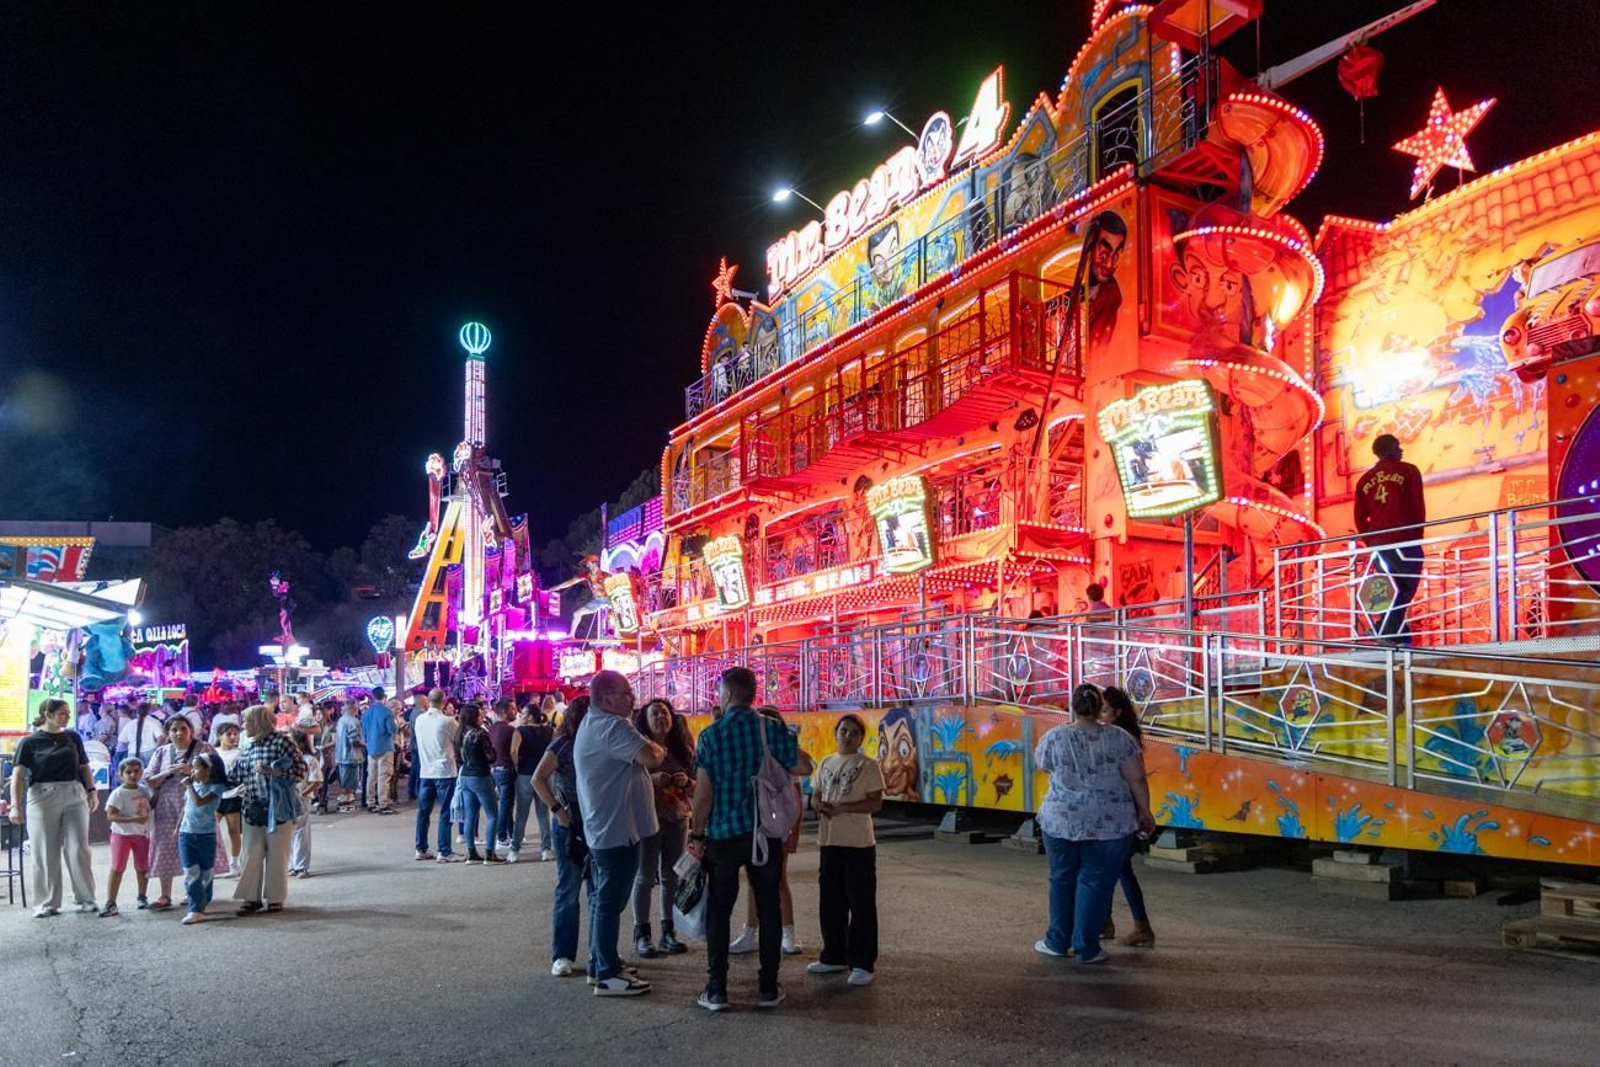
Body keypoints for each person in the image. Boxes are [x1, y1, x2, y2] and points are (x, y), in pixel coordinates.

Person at [689, 667, 812, 1013]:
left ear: (726, 695)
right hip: (764, 834)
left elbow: (703, 796)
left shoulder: (710, 736)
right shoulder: (770, 729)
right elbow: (804, 767)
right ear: (753, 694)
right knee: (769, 907)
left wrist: (697, 834)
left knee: (719, 910)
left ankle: (716, 991)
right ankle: (768, 988)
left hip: (723, 836)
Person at [1032, 684, 1155, 964]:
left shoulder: (1054, 737)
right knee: (1095, 882)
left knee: (1062, 878)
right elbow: (1136, 778)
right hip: (1109, 823)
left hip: (1060, 820)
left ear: (1072, 707)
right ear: (1101, 707)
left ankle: (1056, 941)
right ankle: (1087, 948)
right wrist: (1145, 811)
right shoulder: (1120, 739)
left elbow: (1043, 765)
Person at [574, 672, 663, 997]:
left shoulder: (595, 724)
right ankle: (608, 975)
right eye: (627, 693)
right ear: (607, 698)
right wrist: (653, 746)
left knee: (603, 901)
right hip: (616, 829)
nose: (633, 699)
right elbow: (651, 756)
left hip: (606, 827)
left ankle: (602, 962)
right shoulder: (612, 726)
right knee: (610, 903)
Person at [807, 714, 885, 986]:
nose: (848, 736)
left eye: (854, 732)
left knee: (861, 903)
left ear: (861, 738)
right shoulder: (827, 762)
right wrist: (818, 805)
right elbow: (815, 793)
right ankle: (833, 955)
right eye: (843, 731)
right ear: (835, 733)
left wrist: (844, 808)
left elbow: (875, 803)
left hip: (858, 844)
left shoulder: (868, 765)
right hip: (829, 841)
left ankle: (863, 962)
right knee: (831, 901)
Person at [9, 699, 99, 917]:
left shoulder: (73, 737)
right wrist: (15, 805)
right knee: (45, 849)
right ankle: (47, 903)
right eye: (62, 713)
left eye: (68, 713)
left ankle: (86, 897)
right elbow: (18, 775)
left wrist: (92, 790)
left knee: (79, 847)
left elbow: (84, 766)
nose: (67, 717)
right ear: (47, 714)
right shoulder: (30, 742)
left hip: (74, 792)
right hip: (42, 795)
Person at [730, 705, 805, 957]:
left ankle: (788, 933)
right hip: (753, 827)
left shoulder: (786, 757)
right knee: (753, 881)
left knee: (779, 880)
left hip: (779, 827)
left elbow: (796, 799)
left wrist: (793, 835)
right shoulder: (752, 753)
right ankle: (749, 932)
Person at [631, 698, 695, 959]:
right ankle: (641, 934)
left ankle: (668, 932)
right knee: (645, 877)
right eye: (654, 713)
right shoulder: (639, 748)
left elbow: (696, 786)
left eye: (664, 712)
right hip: (648, 819)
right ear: (645, 720)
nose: (660, 717)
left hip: (678, 819)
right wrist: (651, 779)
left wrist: (686, 780)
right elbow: (628, 782)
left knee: (672, 878)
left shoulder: (683, 749)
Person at [230, 703, 306, 916]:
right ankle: (250, 898)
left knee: (277, 855)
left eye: (246, 721)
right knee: (250, 853)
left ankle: (275, 898)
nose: (244, 726)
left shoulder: (282, 741)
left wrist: (273, 772)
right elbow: (235, 775)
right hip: (252, 807)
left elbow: (300, 770)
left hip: (278, 807)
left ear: (257, 722)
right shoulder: (249, 747)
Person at [533, 695, 589, 977]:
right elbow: (537, 778)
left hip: (597, 823)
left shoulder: (598, 742)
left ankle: (601, 951)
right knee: (569, 889)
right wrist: (557, 810)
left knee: (598, 891)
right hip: (572, 824)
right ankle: (563, 954)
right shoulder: (563, 743)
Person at [1354, 433, 1428, 645]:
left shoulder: (1364, 480)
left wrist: (1370, 539)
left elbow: (1359, 516)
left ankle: (1395, 631)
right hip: (1404, 538)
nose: (1401, 450)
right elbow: (1417, 506)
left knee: (1389, 586)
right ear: (1391, 448)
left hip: (1378, 541)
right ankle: (1386, 629)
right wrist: (1417, 536)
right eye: (1398, 446)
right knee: (1407, 585)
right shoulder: (1409, 471)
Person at [142, 714, 216, 911]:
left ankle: (194, 891)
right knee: (164, 846)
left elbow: (216, 775)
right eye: (174, 730)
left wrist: (189, 772)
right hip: (166, 806)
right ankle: (165, 894)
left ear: (191, 730)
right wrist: (167, 772)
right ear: (167, 733)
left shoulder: (203, 749)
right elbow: (148, 780)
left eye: (184, 729)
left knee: (195, 847)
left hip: (195, 805)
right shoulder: (161, 752)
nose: (179, 733)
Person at [1099, 686, 1155, 947]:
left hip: (1123, 814)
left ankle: (1140, 925)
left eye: (1106, 710)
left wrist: (1143, 811)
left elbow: (1137, 779)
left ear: (1117, 713)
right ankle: (1107, 922)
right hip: (1120, 812)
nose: (1101, 715)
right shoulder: (1119, 736)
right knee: (1114, 869)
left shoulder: (1121, 739)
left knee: (1119, 869)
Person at [412, 688, 460, 862]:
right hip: (445, 770)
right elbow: (459, 740)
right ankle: (444, 850)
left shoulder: (419, 720)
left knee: (423, 811)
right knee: (446, 811)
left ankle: (421, 848)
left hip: (426, 771)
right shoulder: (448, 721)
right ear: (444, 701)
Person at [100, 756, 152, 915]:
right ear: (120, 775)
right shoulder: (118, 794)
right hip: (121, 835)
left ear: (142, 772)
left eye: (136, 771)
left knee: (143, 867)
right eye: (128, 772)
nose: (132, 775)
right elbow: (111, 816)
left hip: (141, 834)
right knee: (117, 868)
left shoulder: (144, 790)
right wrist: (134, 819)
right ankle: (111, 902)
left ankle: (142, 896)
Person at [454, 703, 504, 864]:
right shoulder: (480, 734)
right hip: (480, 776)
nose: (482, 716)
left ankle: (471, 853)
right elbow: (491, 757)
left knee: (470, 816)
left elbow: (458, 757)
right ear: (473, 716)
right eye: (479, 714)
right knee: (492, 815)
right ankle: (490, 853)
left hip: (465, 776)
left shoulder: (459, 733)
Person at [178, 752, 225, 924]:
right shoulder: (194, 786)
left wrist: (189, 787)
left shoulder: (216, 788)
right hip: (186, 834)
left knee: (206, 871)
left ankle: (204, 898)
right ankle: (195, 908)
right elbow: (186, 808)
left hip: (206, 835)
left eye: (196, 768)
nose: (192, 771)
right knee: (191, 870)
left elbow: (199, 802)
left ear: (209, 770)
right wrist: (178, 827)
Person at [509, 702, 554, 863]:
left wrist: (516, 766)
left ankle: (514, 849)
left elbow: (514, 750)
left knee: (522, 813)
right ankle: (546, 849)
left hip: (525, 774)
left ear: (529, 716)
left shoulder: (520, 731)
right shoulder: (549, 731)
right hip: (544, 775)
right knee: (543, 813)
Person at [486, 699, 518, 858]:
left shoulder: (491, 729)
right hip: (506, 769)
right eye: (512, 708)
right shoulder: (511, 730)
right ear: (504, 712)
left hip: (495, 770)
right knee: (506, 805)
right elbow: (515, 752)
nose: (515, 711)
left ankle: (510, 833)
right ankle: (502, 836)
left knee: (507, 803)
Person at [288, 730, 322, 878]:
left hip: (302, 798)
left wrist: (303, 793)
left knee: (301, 831)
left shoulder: (309, 760)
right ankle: (292, 865)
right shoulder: (287, 758)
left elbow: (317, 781)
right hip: (287, 797)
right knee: (287, 831)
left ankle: (301, 866)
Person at [214, 722, 244, 876]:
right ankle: (214, 863)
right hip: (215, 796)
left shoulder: (240, 753)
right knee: (212, 830)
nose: (233, 737)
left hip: (233, 796)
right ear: (220, 736)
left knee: (234, 831)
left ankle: (234, 863)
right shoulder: (213, 752)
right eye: (229, 734)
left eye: (235, 734)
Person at [361, 688, 397, 813]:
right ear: (384, 697)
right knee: (384, 776)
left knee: (371, 776)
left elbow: (364, 732)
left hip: (371, 748)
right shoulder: (387, 712)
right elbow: (392, 730)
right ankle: (383, 804)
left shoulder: (367, 712)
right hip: (385, 747)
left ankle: (370, 802)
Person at [334, 700, 363, 812]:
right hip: (351, 755)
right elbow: (354, 740)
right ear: (354, 709)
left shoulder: (341, 720)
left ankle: (343, 802)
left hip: (340, 755)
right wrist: (365, 744)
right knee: (350, 782)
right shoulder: (353, 721)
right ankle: (346, 804)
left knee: (344, 780)